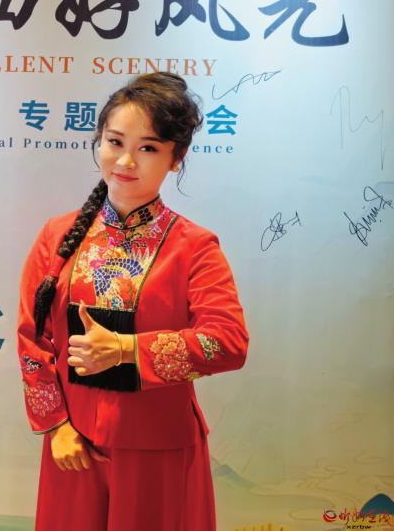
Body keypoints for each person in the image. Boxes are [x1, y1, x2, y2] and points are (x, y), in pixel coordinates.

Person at [17, 72, 249, 531]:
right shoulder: (57, 236)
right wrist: (56, 426)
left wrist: (127, 349)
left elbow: (227, 342)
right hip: (73, 445)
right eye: (114, 141)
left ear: (176, 158)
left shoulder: (195, 246)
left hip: (158, 447)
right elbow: (32, 338)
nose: (125, 160)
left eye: (148, 148)